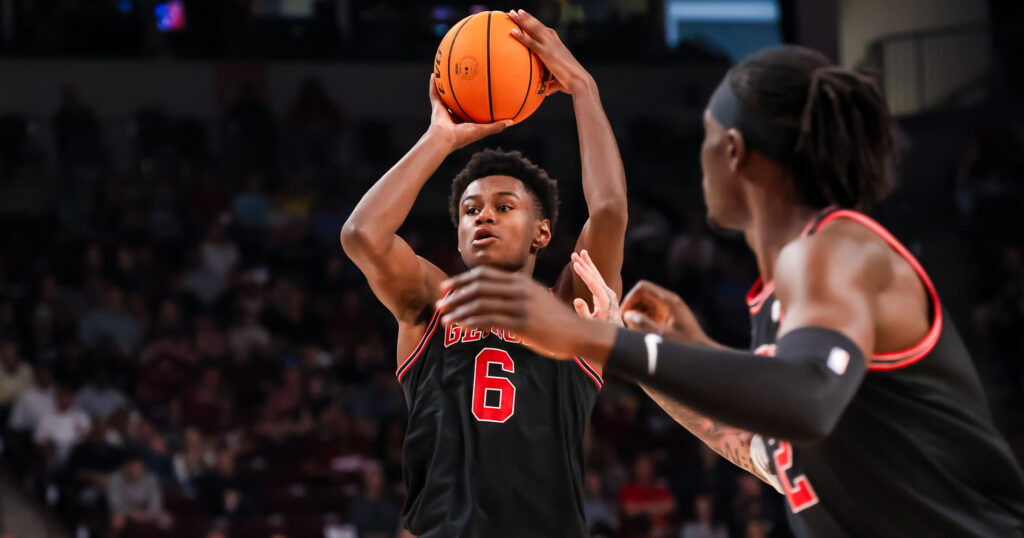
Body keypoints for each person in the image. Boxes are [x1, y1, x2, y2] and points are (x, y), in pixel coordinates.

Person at [437, 45, 1024, 537]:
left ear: (736, 152)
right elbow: (765, 446)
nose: (701, 155)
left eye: (708, 137)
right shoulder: (790, 297)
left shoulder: (835, 251)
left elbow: (808, 398)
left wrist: (591, 338)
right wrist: (651, 351)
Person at [340, 9, 627, 537]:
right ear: (457, 235)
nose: (484, 216)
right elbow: (362, 235)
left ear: (542, 233)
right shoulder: (432, 304)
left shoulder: (571, 307)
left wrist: (584, 88)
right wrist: (439, 139)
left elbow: (608, 212)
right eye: (471, 210)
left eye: (503, 206)